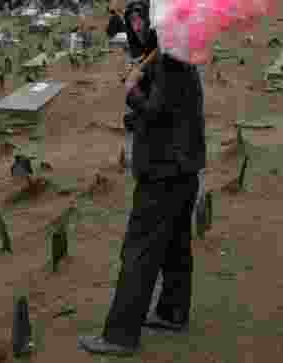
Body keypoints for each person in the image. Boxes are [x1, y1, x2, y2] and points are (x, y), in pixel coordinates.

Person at [78, 42, 206, 356]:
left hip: (162, 174)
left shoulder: (170, 62)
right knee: (175, 246)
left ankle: (120, 335)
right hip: (184, 170)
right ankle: (172, 313)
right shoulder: (182, 57)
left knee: (138, 252)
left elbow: (154, 109)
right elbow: (170, 114)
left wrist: (132, 88)